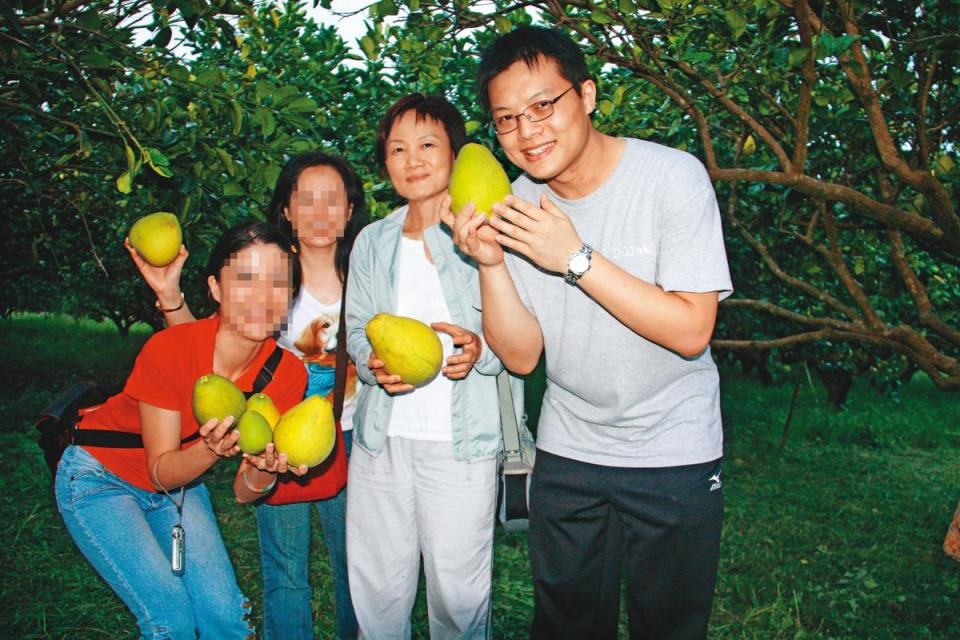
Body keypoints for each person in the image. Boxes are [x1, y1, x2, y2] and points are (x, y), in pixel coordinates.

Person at [440, 26, 733, 639]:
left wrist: (575, 258)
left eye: (543, 105)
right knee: (566, 624)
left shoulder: (672, 178)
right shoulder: (510, 206)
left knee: (669, 626)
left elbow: (691, 329)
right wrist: (491, 263)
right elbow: (521, 358)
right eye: (507, 119)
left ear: (589, 95)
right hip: (571, 451)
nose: (528, 131)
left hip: (674, 448)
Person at [128, 152, 368, 640]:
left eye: (333, 201)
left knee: (358, 569)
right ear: (285, 210)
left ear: (350, 211)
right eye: (306, 199)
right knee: (285, 573)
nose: (320, 213)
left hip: (353, 441)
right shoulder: (268, 272)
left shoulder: (369, 277)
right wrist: (172, 300)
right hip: (274, 438)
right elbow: (208, 357)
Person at [55, 221, 308, 639]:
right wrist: (210, 451)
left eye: (278, 282)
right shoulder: (169, 348)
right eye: (245, 279)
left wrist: (267, 466)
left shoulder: (286, 374)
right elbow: (159, 471)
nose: (262, 296)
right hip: (100, 477)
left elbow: (246, 491)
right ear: (215, 288)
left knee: (226, 618)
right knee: (171, 619)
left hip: (180, 485)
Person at [344, 93, 518, 639]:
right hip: (381, 441)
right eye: (397, 149)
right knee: (376, 588)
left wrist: (480, 350)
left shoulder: (487, 235)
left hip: (460, 444)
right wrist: (372, 365)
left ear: (454, 153)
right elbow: (355, 330)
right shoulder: (372, 241)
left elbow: (517, 331)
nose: (412, 160)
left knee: (459, 594)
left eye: (426, 145)